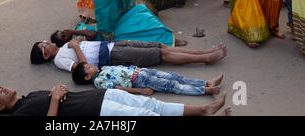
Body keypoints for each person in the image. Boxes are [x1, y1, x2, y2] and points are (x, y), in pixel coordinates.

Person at [0, 85, 231, 116]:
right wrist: (56, 98)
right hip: (98, 112)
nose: (4, 89)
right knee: (150, 116)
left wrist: (59, 91)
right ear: (0, 106)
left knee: (154, 106)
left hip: (101, 96)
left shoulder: (30, 96)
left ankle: (203, 109)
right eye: (0, 92)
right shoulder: (19, 115)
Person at [30, 36, 227, 72]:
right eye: (43, 47)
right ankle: (205, 59)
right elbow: (82, 68)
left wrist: (78, 41)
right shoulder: (59, 60)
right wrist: (76, 46)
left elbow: (79, 45)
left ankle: (203, 52)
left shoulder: (64, 47)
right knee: (159, 54)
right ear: (45, 56)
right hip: (112, 56)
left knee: (157, 45)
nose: (46, 43)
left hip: (110, 45)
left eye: (44, 42)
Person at [51, 3, 187, 48]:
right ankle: (171, 40)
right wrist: (73, 32)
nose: (65, 33)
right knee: (143, 28)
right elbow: (93, 34)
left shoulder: (77, 29)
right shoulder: (77, 41)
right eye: (63, 36)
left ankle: (169, 35)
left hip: (109, 26)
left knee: (139, 11)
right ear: (65, 42)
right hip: (109, 36)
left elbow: (93, 24)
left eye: (62, 31)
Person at [73, 62, 223, 96]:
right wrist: (141, 91)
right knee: (173, 85)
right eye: (88, 68)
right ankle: (204, 90)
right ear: (87, 77)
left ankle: (206, 82)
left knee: (174, 76)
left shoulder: (102, 69)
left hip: (140, 71)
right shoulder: (99, 82)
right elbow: (118, 88)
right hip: (139, 81)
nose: (91, 65)